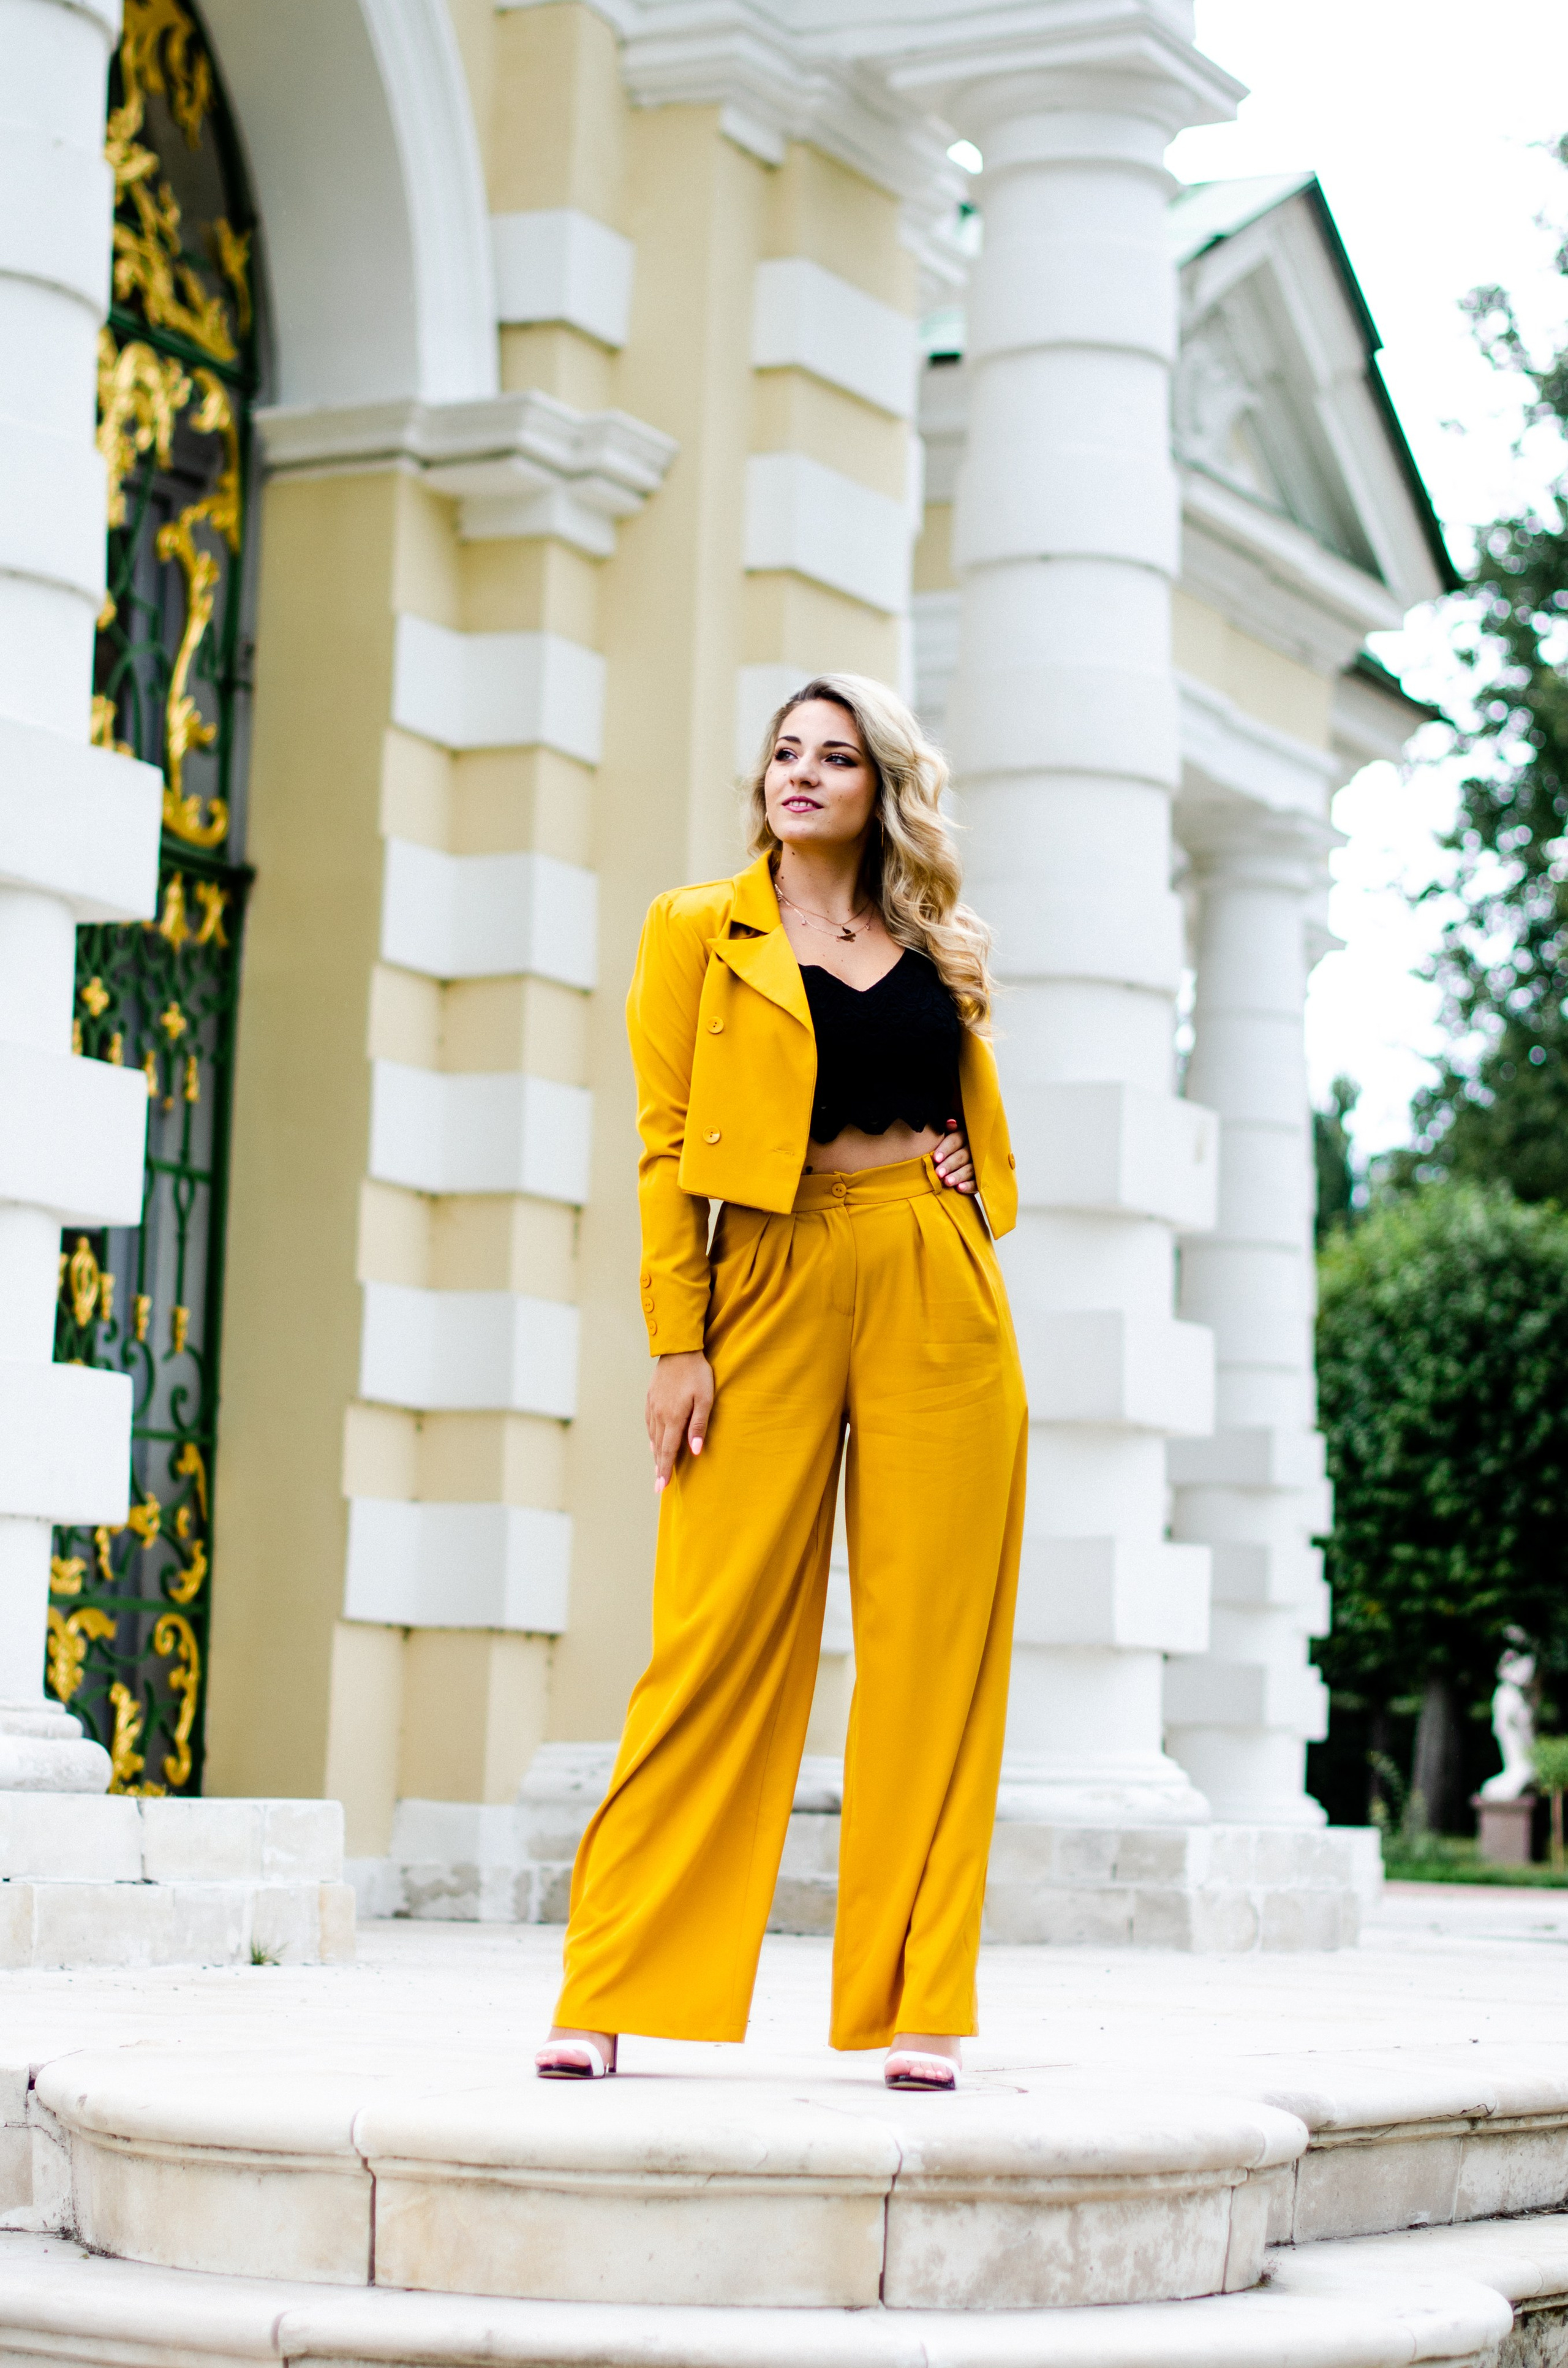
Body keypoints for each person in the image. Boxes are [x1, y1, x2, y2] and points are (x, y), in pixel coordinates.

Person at [535, 673, 1027, 2090]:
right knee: (712, 1635)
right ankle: (607, 1984)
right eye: (782, 753)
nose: (799, 773)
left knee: (937, 1646)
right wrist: (673, 1340)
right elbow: (660, 1142)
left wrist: (968, 1182)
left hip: (935, 1278)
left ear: (880, 786)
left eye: (833, 756)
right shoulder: (697, 928)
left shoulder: (934, 937)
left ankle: (916, 2000)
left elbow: (973, 1114)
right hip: (764, 1272)